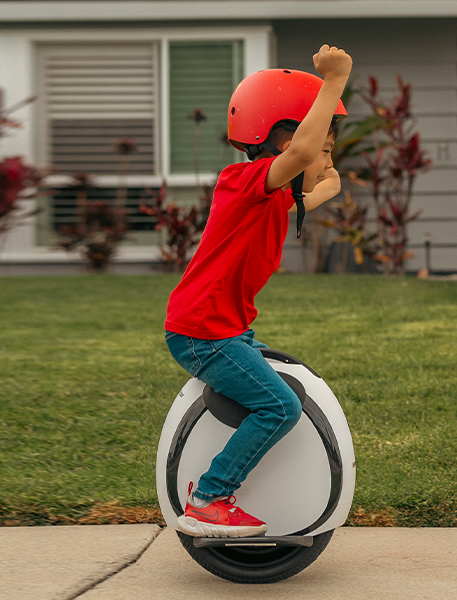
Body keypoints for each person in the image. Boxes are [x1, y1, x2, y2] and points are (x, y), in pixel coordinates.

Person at [163, 44, 352, 538]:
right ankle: (209, 497)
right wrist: (333, 82)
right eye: (324, 147)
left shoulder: (265, 197)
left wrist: (326, 185)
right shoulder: (242, 180)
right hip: (204, 333)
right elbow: (304, 155)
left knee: (275, 376)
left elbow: (301, 196)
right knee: (279, 406)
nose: (323, 157)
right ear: (276, 139)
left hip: (225, 329)